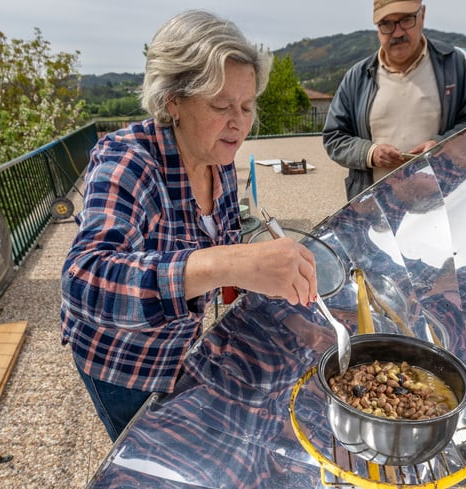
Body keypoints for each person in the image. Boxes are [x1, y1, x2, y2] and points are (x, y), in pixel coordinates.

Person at [59, 10, 317, 441]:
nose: (238, 122)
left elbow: (226, 238)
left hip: (181, 345)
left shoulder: (218, 159)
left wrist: (263, 271)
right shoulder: (129, 161)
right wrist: (227, 262)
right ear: (172, 100)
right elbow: (83, 279)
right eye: (220, 106)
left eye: (247, 106)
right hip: (124, 363)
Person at [323, 0, 466, 200]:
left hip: (443, 199)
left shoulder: (453, 65)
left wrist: (442, 144)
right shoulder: (357, 77)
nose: (398, 32)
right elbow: (334, 137)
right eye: (387, 24)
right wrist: (371, 153)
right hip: (377, 207)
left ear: (422, 16)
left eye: (406, 20)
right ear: (377, 28)